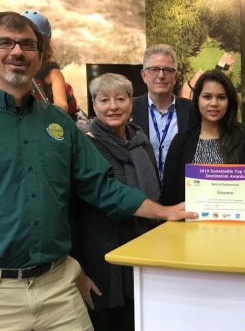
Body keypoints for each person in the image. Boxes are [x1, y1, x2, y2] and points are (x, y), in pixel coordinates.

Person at [0, 12, 195, 331]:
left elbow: (102, 187)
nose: (17, 51)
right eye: (5, 43)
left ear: (40, 56)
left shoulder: (59, 124)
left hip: (58, 289)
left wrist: (164, 211)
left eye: (28, 44)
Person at [73, 73, 160, 331]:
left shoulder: (141, 142)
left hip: (142, 254)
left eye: (120, 99)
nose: (113, 106)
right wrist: (79, 273)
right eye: (104, 100)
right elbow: (71, 213)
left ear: (131, 103)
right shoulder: (85, 145)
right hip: (101, 260)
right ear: (94, 104)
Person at [161, 70, 245, 224]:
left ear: (230, 101)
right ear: (197, 100)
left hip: (241, 232)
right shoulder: (181, 141)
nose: (214, 103)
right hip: (191, 235)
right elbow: (169, 196)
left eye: (221, 97)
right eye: (207, 97)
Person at [0, 9, 77, 119]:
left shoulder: (51, 72)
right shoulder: (0, 48)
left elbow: (61, 106)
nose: (18, 51)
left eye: (29, 43)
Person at [131, 44, 193, 181]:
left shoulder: (193, 110)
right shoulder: (129, 109)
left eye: (168, 70)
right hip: (143, 194)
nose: (161, 75)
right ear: (144, 75)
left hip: (181, 194)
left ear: (176, 77)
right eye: (154, 69)